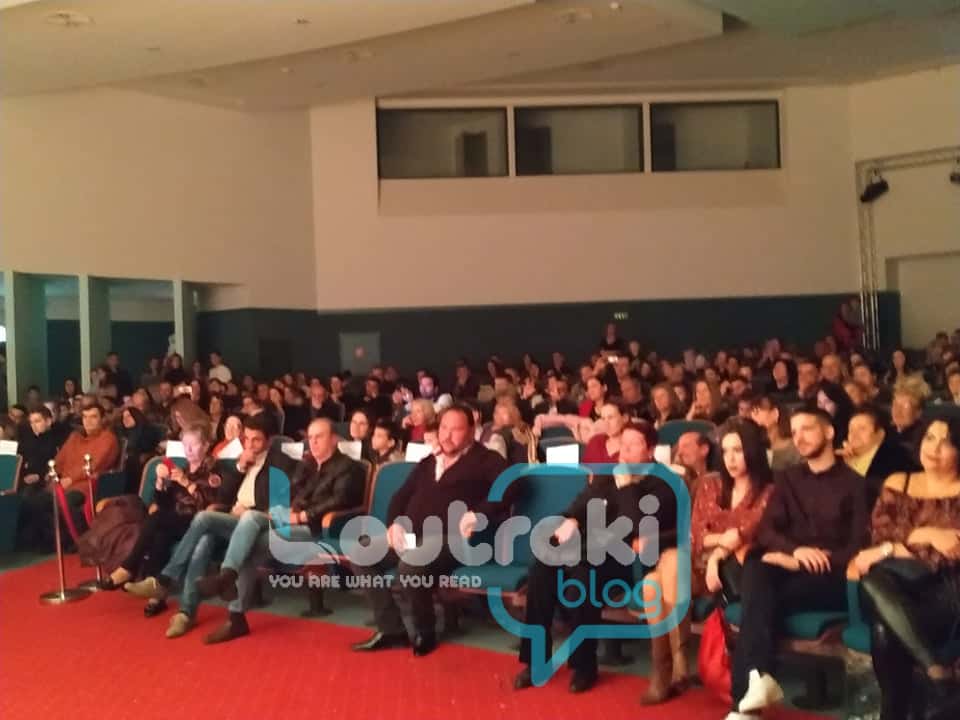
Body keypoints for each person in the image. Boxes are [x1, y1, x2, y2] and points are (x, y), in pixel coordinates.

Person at [514, 421, 678, 695]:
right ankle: (536, 660)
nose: (625, 450)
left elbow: (638, 526)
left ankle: (584, 665)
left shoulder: (663, 483)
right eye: (623, 443)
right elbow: (579, 504)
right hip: (588, 548)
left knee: (583, 576)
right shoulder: (608, 475)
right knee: (541, 568)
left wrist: (627, 487)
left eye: (634, 444)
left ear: (650, 451)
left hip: (627, 559)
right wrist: (571, 520)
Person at [726, 407, 868, 719]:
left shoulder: (856, 484)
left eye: (807, 429)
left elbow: (857, 547)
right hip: (789, 569)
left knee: (757, 597)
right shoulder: (788, 478)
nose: (798, 437)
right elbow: (766, 530)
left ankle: (746, 702)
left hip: (830, 578)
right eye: (794, 431)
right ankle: (754, 686)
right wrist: (795, 552)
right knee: (757, 566)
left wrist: (797, 561)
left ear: (829, 432)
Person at [351, 405, 513, 657]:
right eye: (444, 428)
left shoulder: (485, 459)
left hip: (452, 540)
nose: (447, 435)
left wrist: (479, 513)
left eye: (456, 430)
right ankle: (391, 629)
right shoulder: (430, 461)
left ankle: (424, 631)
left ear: (471, 431)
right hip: (414, 537)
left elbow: (514, 484)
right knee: (361, 552)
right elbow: (400, 496)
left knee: (410, 565)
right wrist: (394, 524)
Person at [125, 413, 297, 642]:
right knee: (203, 539)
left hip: (256, 522)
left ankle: (167, 582)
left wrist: (250, 510)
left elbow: (280, 505)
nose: (249, 445)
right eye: (246, 439)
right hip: (231, 518)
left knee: (203, 519)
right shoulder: (240, 461)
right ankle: (185, 613)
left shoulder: (281, 463)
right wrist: (239, 468)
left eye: (256, 440)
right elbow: (224, 497)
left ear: (270, 440)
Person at [642, 419, 774, 704]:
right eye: (726, 451)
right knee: (655, 582)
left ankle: (668, 671)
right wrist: (722, 539)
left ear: (752, 451)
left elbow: (749, 532)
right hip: (694, 567)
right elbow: (693, 535)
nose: (731, 459)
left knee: (657, 580)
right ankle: (673, 667)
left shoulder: (768, 491)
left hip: (730, 572)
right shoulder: (711, 484)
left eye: (738, 450)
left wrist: (715, 549)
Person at [851, 417, 960, 720]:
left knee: (884, 629)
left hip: (945, 595)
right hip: (894, 588)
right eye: (929, 438)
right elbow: (878, 537)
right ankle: (936, 672)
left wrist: (895, 547)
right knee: (874, 581)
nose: (934, 449)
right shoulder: (898, 482)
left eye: (946, 442)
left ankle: (893, 713)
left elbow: (951, 555)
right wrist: (927, 535)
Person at [101, 424, 219, 594]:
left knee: (157, 519)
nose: (188, 450)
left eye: (193, 445)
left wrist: (186, 482)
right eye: (185, 445)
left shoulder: (213, 470)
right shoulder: (184, 469)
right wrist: (160, 483)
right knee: (160, 531)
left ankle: (128, 567)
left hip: (198, 522)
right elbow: (164, 503)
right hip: (175, 520)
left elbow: (208, 504)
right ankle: (154, 586)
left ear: (206, 445)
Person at [838, 405, 919, 509]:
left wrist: (848, 471)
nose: (854, 435)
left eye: (862, 429)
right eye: (851, 429)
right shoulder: (840, 458)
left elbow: (872, 495)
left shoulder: (895, 457)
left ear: (880, 434)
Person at [749, 395, 803, 471]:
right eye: (751, 412)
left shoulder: (795, 448)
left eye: (757, 412)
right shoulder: (757, 448)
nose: (753, 417)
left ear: (775, 413)